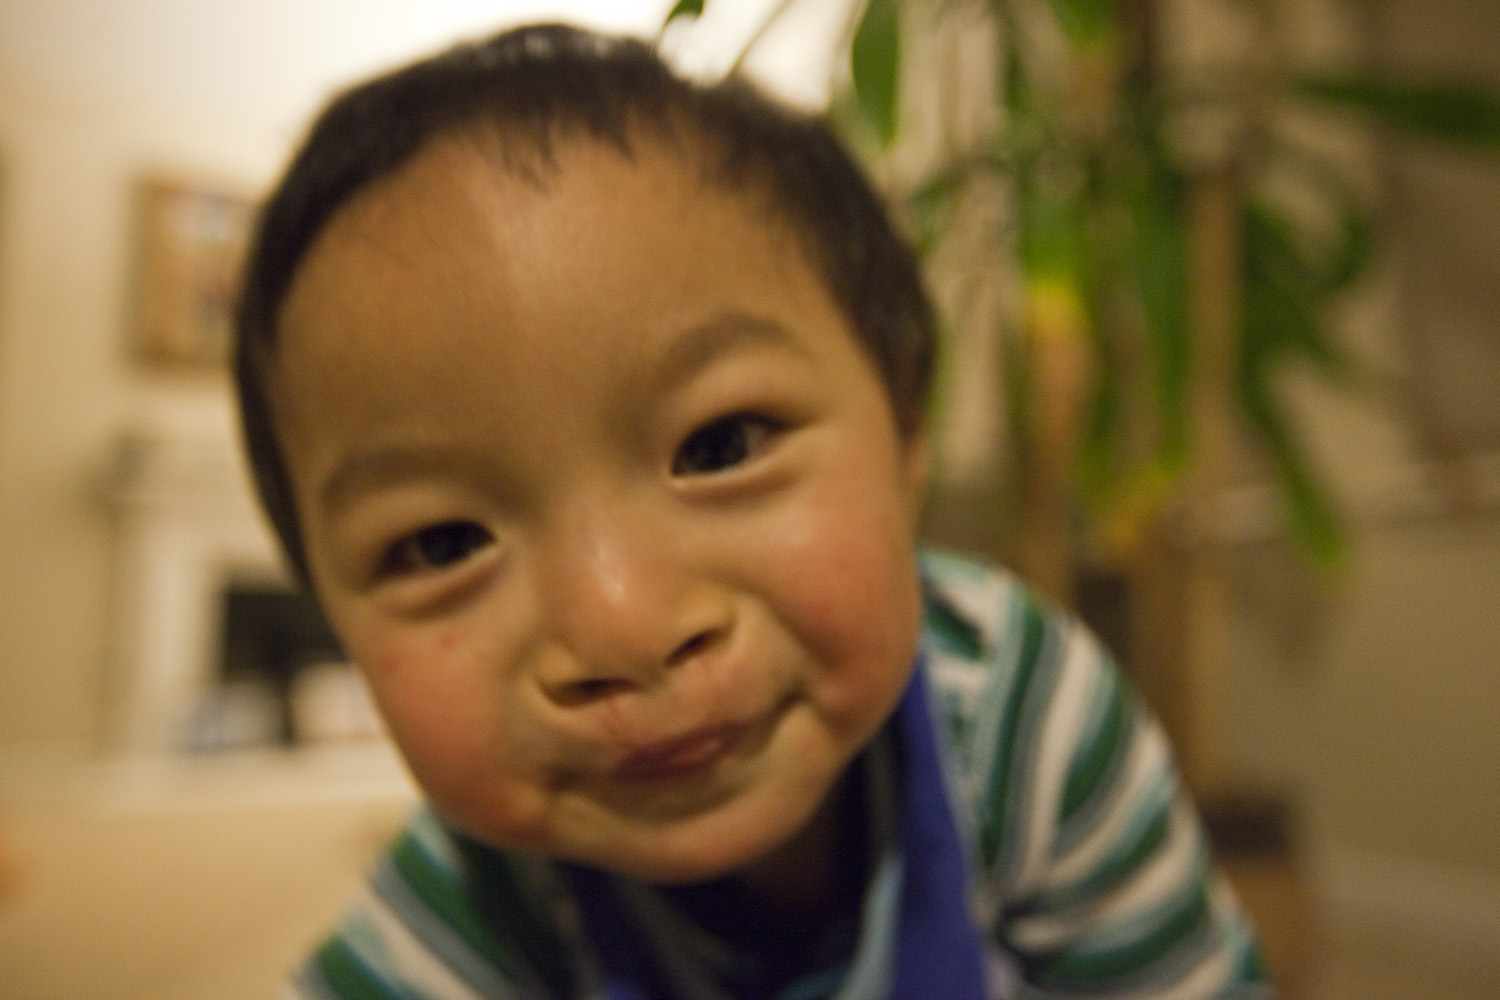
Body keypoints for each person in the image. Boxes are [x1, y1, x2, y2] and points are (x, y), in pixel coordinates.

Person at [234, 23, 1269, 1000]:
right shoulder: (478, 899)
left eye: (721, 445)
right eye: (442, 542)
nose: (622, 626)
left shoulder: (1014, 718)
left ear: (906, 425)